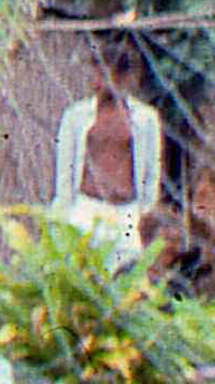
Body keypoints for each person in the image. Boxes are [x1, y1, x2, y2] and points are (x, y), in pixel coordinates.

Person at [52, 48, 163, 264]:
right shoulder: (77, 116)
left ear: (124, 77)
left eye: (105, 74)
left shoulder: (145, 119)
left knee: (125, 280)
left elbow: (152, 169)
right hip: (86, 208)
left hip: (126, 212)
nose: (98, 82)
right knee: (78, 275)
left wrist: (144, 211)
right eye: (96, 73)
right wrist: (63, 214)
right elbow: (65, 170)